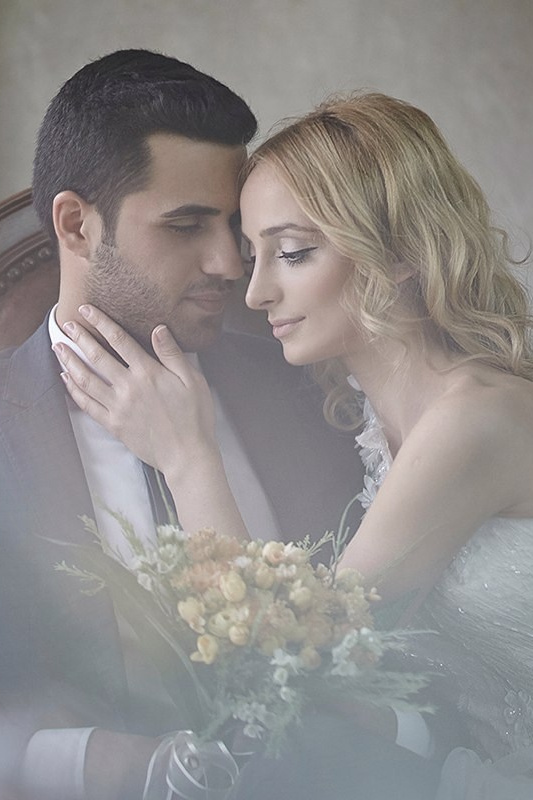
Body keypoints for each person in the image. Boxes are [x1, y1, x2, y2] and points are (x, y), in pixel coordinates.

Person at [61, 91, 533, 799]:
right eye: (255, 256)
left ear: (398, 250)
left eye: (291, 253)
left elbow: (296, 669)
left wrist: (189, 459)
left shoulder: (475, 422)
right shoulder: (363, 419)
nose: (253, 293)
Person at [0, 50, 364, 800]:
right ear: (73, 223)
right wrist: (93, 762)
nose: (230, 262)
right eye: (186, 225)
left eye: (232, 226)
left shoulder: (305, 387)